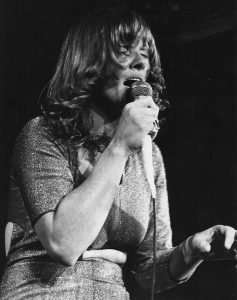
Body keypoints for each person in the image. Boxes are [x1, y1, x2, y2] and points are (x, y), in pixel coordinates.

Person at [0, 8, 236, 300]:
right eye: (125, 50)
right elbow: (63, 244)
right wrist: (120, 145)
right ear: (88, 60)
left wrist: (191, 251)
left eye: (146, 53)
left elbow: (148, 273)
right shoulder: (42, 135)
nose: (140, 61)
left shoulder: (149, 156)